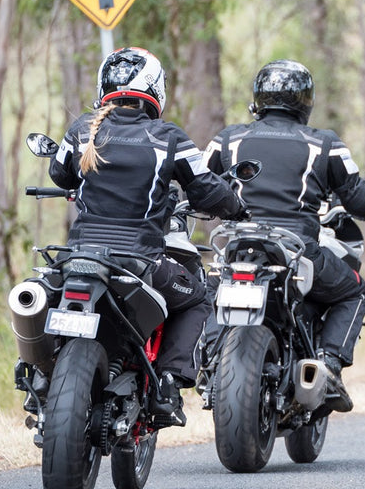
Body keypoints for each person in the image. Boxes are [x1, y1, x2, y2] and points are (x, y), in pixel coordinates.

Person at [49, 46, 247, 427]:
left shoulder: (81, 130)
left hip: (78, 257)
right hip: (138, 262)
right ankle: (169, 383)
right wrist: (236, 206)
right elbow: (206, 188)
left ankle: (40, 377)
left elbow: (60, 176)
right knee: (198, 297)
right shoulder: (168, 137)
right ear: (155, 88)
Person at [203, 59, 365, 400]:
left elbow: (200, 184)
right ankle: (329, 363)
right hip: (298, 248)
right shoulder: (324, 144)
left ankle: (208, 360)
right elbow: (357, 195)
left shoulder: (227, 139)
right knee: (355, 292)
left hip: (237, 246)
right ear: (306, 101)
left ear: (259, 98)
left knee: (208, 290)